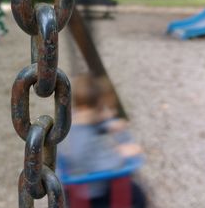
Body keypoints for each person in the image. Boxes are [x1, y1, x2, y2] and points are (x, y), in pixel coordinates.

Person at [57, 74, 147, 208]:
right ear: (96, 109)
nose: (112, 112)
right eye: (108, 108)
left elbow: (91, 125)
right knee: (137, 197)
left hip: (84, 189)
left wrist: (108, 125)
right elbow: (95, 164)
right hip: (88, 196)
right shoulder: (81, 139)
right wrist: (121, 153)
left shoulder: (75, 120)